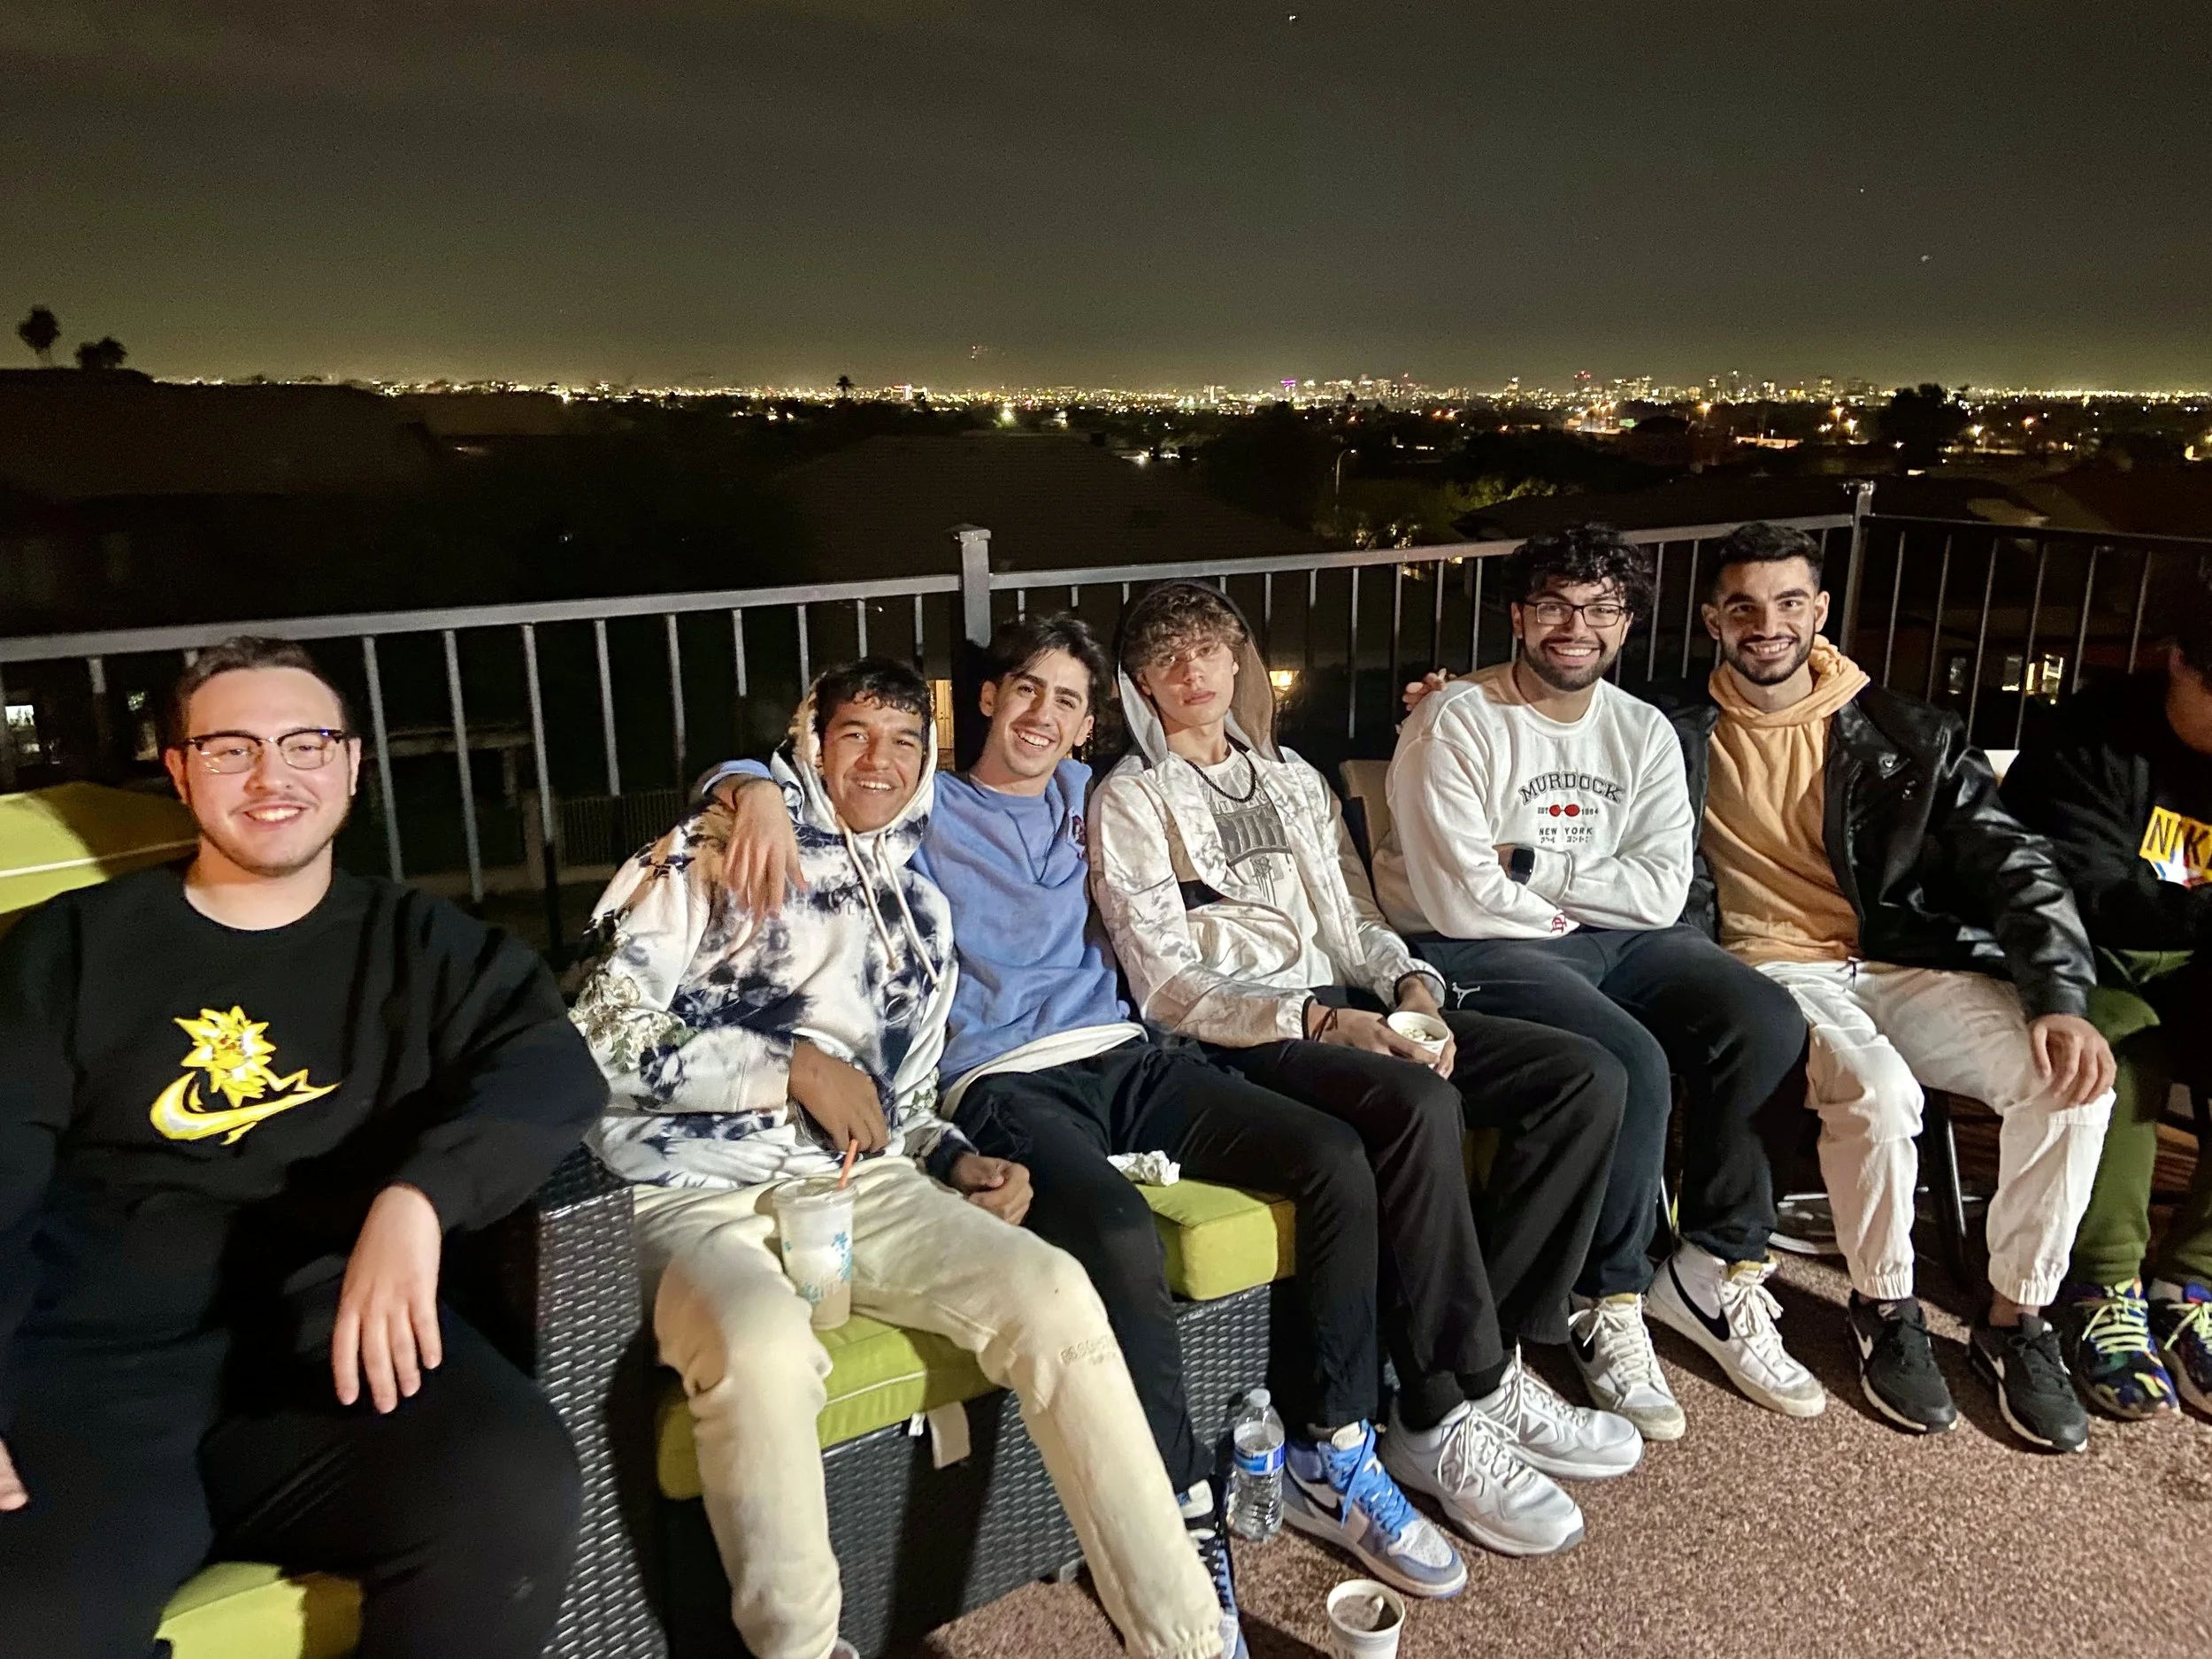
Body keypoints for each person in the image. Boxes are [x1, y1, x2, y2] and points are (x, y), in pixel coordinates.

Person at [702, 618, 1479, 1620]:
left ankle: (1331, 1446)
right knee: (1114, 1231)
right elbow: (800, 769)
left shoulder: (1091, 799)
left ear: (1083, 726)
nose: (1042, 716)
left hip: (1127, 1056)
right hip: (1002, 1081)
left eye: (1068, 702)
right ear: (986, 698)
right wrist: (751, 786)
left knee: (1332, 1158)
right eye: (1026, 690)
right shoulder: (923, 802)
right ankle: (1178, 1511)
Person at [571, 656, 1225, 1659]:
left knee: (1052, 1292)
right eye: (854, 737)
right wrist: (784, 1065)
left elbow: (904, 1104)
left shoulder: (921, 914)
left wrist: (955, 1158)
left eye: (905, 740)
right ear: (812, 746)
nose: (878, 761)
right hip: (690, 1189)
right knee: (763, 1352)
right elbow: (592, 1038)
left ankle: (1182, 1637)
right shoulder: (708, 851)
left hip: (852, 1187)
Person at [0, 636, 601, 1659]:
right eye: (230, 749)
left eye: (306, 742)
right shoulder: (73, 948)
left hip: (333, 1349)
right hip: (90, 1376)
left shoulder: (424, 946)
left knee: (507, 1484)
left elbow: (551, 1070)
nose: (274, 776)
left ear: (353, 765)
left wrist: (417, 1200)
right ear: (181, 770)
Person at [1086, 582, 1640, 1565]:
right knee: (1417, 1103)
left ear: (1238, 661)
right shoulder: (1132, 796)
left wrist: (1412, 984)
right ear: (1138, 685)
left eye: (1211, 649)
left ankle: (1492, 1360)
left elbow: (1350, 915)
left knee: (1584, 1077)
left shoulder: (1292, 775)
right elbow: (1166, 984)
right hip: (1244, 1035)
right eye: (1166, 659)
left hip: (1348, 1002)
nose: (1194, 673)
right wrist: (1318, 1018)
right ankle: (1435, 1409)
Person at [1644, 521, 2115, 1452]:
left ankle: (2016, 1317)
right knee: (1877, 1091)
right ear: (1712, 620)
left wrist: (2059, 996)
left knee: (2067, 1084)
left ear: (1818, 613)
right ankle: (1884, 1303)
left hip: (1904, 960)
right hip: (1770, 966)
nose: (1765, 625)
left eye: (1787, 603)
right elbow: (1549, 735)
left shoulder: (1909, 734)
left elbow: (2015, 863)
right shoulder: (1665, 727)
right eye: (1742, 606)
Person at [1376, 525, 1815, 1442]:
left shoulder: (1643, 731)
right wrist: (1569, 901)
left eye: (1601, 609)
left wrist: (1533, 867)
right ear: (1518, 616)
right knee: (1630, 1058)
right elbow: (1459, 897)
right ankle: (1606, 1296)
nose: (1577, 626)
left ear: (1625, 625)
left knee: (1764, 1018)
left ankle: (1710, 1268)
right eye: (1555, 606)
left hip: (1612, 935)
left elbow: (1660, 889)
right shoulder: (1456, 719)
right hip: (1484, 945)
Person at [2003, 580, 2212, 1423]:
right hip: (2094, 955)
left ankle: (2194, 1280)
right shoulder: (2090, 737)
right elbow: (2075, 885)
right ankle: (2106, 1282)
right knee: (2117, 1050)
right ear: (2176, 666)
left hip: (2201, 961)